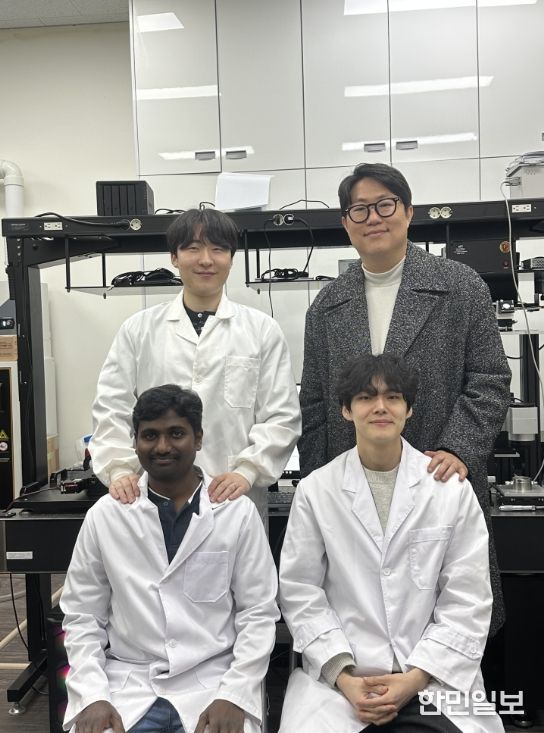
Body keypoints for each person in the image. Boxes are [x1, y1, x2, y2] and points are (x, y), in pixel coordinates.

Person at [298, 162, 511, 633]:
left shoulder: (460, 286)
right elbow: (313, 403)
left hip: (438, 477)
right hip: (352, 490)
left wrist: (459, 449)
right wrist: (317, 483)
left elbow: (490, 379)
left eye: (385, 205)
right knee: (359, 620)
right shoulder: (327, 305)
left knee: (450, 613)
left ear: (409, 212)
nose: (373, 217)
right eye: (359, 209)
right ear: (346, 223)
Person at [279, 354, 504, 733]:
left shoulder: (450, 491)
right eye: (366, 397)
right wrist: (344, 677)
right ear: (346, 410)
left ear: (409, 409)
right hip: (342, 685)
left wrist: (414, 679)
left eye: (393, 397)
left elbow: (468, 598)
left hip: (432, 677)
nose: (380, 407)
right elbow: (300, 592)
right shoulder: (317, 490)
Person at [61, 384, 279, 733]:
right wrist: (91, 695)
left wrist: (236, 694)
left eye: (176, 433)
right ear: (135, 442)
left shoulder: (236, 513)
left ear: (198, 438)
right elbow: (82, 616)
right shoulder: (106, 515)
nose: (162, 446)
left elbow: (258, 613)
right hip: (127, 682)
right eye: (150, 435)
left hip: (212, 681)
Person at [90, 207, 301, 517]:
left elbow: (282, 416)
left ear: (231, 258)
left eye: (218, 249)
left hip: (233, 499)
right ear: (174, 257)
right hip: (150, 496)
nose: (206, 260)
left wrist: (248, 471)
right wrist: (119, 470)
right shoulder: (139, 330)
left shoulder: (262, 331)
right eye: (193, 248)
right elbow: (112, 408)